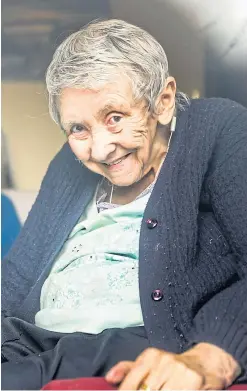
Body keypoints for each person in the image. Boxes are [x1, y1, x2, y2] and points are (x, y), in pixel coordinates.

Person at [1, 19, 247, 390]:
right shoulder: (68, 164)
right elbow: (17, 274)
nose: (100, 150)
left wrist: (211, 355)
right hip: (30, 340)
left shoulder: (218, 130)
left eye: (114, 118)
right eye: (78, 129)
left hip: (128, 342)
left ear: (162, 102)